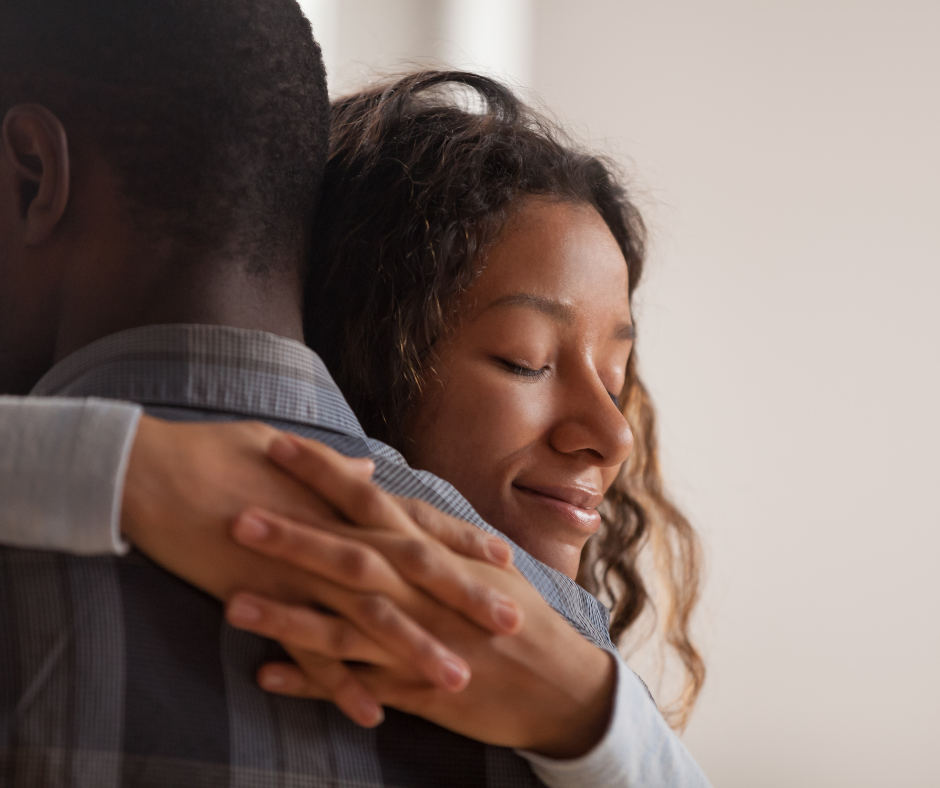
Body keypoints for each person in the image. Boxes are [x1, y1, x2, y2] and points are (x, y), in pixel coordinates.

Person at [0, 2, 711, 787]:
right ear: (375, 345)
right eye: (523, 359)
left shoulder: (565, 684)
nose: (614, 436)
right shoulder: (564, 666)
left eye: (619, 379)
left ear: (35, 175)